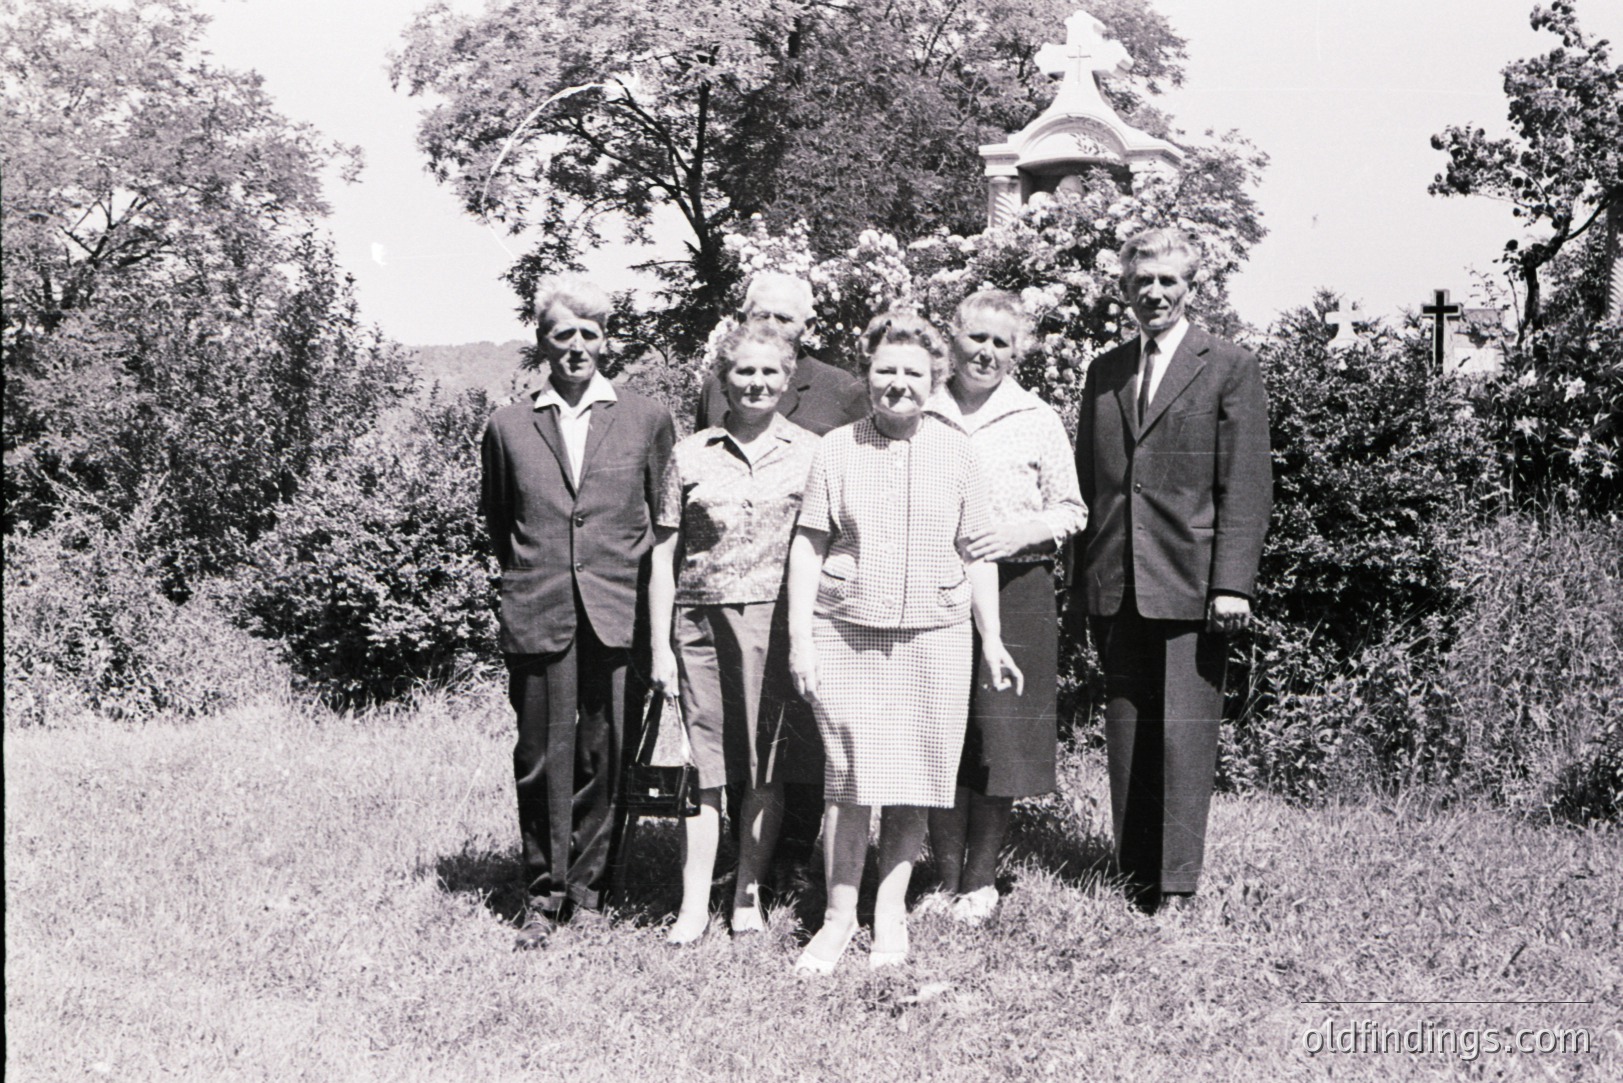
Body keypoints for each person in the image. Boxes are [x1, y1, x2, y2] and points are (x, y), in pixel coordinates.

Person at [785, 310, 1023, 974]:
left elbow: (977, 552)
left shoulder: (959, 452)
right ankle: (838, 917)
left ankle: (888, 912)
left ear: (934, 378)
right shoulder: (836, 448)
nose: (898, 383)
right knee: (851, 777)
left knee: (915, 774)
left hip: (935, 635)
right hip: (846, 631)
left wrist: (992, 637)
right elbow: (808, 545)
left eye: (913, 372)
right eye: (885, 369)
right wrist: (800, 637)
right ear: (867, 374)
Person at [1071, 228, 1272, 914]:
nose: (1153, 293)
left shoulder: (1229, 366)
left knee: (1184, 736)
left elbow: (1246, 484)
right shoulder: (1104, 371)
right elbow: (1088, 483)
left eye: (1167, 281)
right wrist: (1083, 582)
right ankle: (1134, 879)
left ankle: (1178, 885)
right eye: (1141, 282)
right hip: (1116, 580)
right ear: (1124, 289)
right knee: (1127, 730)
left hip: (1192, 582)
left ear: (1191, 286)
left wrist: (1231, 584)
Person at [481, 276, 676, 949]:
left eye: (589, 334)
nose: (576, 347)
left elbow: (660, 520)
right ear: (542, 342)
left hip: (616, 611)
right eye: (562, 334)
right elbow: (502, 522)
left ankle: (589, 892)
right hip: (539, 611)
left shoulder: (646, 419)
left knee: (604, 753)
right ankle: (544, 892)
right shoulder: (507, 426)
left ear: (606, 342)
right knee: (541, 757)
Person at [646, 323, 821, 944]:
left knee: (765, 764)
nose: (756, 382)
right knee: (705, 767)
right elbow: (662, 556)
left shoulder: (812, 453)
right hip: (699, 623)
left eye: (770, 371)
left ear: (787, 379)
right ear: (723, 379)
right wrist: (660, 646)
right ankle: (694, 903)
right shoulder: (690, 453)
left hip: (775, 623)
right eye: (744, 371)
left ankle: (747, 892)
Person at [694, 271, 867, 879]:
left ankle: (792, 857)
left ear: (808, 326)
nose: (770, 326)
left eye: (785, 318)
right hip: (732, 589)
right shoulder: (720, 383)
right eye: (759, 313)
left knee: (801, 730)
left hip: (809, 589)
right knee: (738, 727)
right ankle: (735, 857)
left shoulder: (842, 390)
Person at [922, 290, 1087, 925]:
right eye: (976, 338)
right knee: (940, 729)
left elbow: (1071, 509)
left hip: (1019, 587)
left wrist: (1019, 534)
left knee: (1002, 732)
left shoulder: (1036, 417)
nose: (986, 352)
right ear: (953, 337)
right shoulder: (923, 406)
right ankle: (943, 875)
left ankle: (980, 878)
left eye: (1001, 343)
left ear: (1018, 352)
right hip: (932, 586)